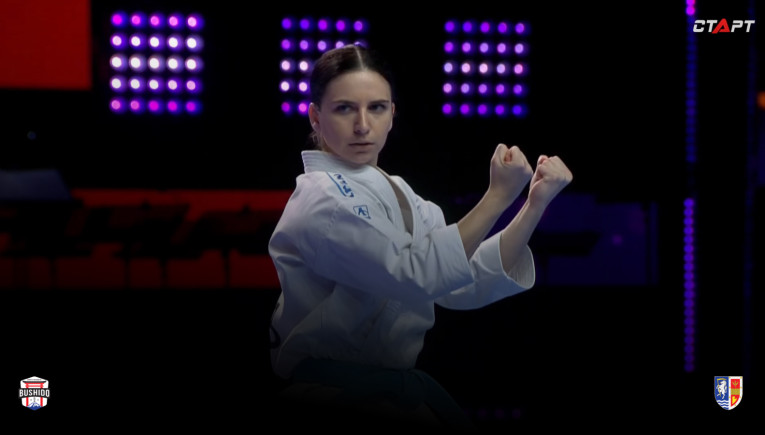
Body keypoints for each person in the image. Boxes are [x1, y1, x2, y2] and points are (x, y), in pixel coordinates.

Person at [267, 43, 573, 430]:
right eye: (344, 108)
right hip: (330, 394)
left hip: (394, 398)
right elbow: (417, 273)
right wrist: (497, 196)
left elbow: (462, 282)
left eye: (376, 108)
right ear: (315, 116)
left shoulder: (403, 194)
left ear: (392, 115)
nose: (362, 125)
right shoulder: (321, 199)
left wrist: (532, 204)